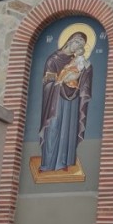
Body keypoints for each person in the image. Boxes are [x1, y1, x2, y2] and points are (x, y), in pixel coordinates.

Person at [38, 31, 93, 172]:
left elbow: (83, 73)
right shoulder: (53, 59)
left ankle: (64, 161)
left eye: (81, 44)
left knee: (68, 128)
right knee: (54, 127)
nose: (78, 46)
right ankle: (48, 163)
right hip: (55, 99)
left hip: (72, 99)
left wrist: (87, 69)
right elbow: (47, 83)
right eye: (77, 42)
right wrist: (60, 82)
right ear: (69, 41)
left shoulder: (77, 60)